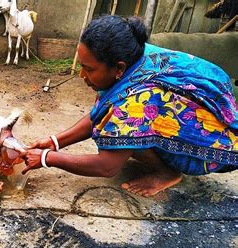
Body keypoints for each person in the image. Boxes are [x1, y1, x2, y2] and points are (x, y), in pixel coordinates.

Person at [21, 15, 238, 197]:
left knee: (118, 134)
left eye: (89, 69)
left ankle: (167, 173)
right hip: (204, 119)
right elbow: (100, 113)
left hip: (217, 150)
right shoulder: (135, 56)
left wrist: (46, 158)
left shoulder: (136, 99)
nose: (82, 75)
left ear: (118, 68)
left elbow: (107, 166)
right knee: (116, 125)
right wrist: (55, 141)